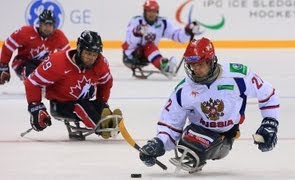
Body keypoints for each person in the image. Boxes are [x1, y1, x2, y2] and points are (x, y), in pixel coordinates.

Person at [138, 37, 280, 173]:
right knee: (187, 142)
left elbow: (268, 95)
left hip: (227, 135)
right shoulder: (183, 90)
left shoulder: (238, 76)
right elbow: (170, 125)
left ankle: (205, 147)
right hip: (198, 132)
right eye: (192, 65)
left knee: (192, 145)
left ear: (210, 61)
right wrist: (157, 144)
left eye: (199, 64)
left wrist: (269, 123)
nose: (195, 70)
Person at [24, 30, 121, 140]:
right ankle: (101, 126)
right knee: (82, 107)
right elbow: (32, 82)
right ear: (79, 49)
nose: (92, 58)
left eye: (95, 54)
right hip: (61, 105)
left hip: (85, 102)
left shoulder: (100, 63)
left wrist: (102, 102)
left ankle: (108, 121)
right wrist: (36, 108)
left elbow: (106, 82)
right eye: (88, 53)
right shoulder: (57, 62)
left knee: (98, 105)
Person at [122, 0, 200, 77]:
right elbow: (129, 42)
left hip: (147, 56)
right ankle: (164, 66)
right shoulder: (136, 21)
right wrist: (136, 33)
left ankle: (164, 64)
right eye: (149, 11)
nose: (151, 14)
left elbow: (177, 36)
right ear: (144, 11)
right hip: (131, 55)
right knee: (149, 46)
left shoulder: (163, 23)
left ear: (157, 12)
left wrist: (187, 31)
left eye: (154, 11)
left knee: (149, 46)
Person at [0, 9, 70, 85]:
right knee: (32, 74)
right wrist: (4, 66)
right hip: (22, 63)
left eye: (50, 25)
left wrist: (67, 73)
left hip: (44, 65)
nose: (48, 28)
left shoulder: (58, 36)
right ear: (40, 24)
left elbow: (67, 56)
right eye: (45, 25)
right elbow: (8, 45)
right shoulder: (25, 32)